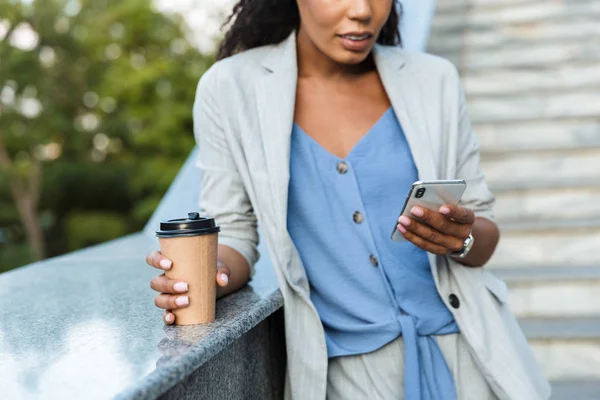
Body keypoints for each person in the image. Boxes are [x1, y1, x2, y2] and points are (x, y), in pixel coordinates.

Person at [146, 0, 551, 399]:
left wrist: (458, 237)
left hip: (471, 358)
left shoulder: (433, 80)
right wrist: (203, 276)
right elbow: (234, 232)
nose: (362, 11)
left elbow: (483, 236)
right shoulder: (230, 89)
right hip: (344, 374)